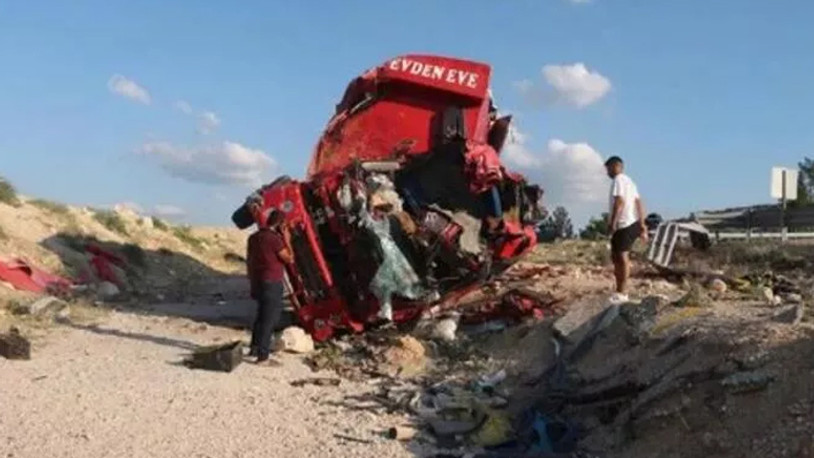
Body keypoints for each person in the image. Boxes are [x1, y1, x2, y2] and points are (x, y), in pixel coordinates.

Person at [246, 209, 293, 365]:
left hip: (258, 281)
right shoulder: (275, 240)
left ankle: (254, 348)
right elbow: (289, 258)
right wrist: (287, 239)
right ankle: (263, 356)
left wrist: (252, 282)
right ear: (280, 224)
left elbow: (250, 261)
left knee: (260, 316)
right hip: (272, 282)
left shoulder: (253, 238)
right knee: (269, 319)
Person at [605, 156, 648, 303]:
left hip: (624, 224)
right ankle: (619, 290)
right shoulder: (631, 182)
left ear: (616, 166)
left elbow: (619, 202)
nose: (607, 172)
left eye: (608, 168)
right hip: (632, 223)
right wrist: (642, 224)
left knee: (621, 258)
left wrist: (613, 223)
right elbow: (638, 203)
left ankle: (622, 292)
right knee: (616, 256)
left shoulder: (618, 180)